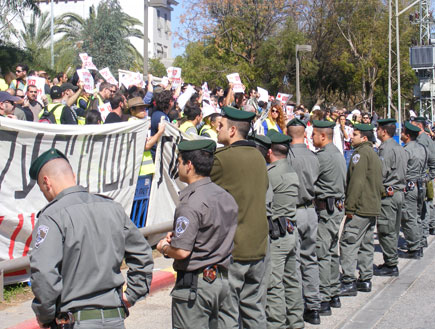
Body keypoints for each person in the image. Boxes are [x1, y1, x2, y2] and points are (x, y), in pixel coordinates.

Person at [28, 148, 153, 328]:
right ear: (74, 175)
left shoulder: (52, 216)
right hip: (115, 319)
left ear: (46, 182)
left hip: (75, 321)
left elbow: (44, 273)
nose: (45, 196)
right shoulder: (112, 208)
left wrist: (45, 315)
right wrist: (133, 293)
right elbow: (142, 252)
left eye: (42, 190)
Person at [156, 139, 238, 329]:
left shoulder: (190, 203)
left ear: (189, 165)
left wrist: (164, 247)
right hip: (223, 279)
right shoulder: (224, 195)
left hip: (197, 283)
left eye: (179, 162)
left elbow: (182, 252)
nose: (178, 166)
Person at [210, 106, 269, 329]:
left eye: (221, 125)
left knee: (227, 312)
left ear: (233, 130)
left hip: (234, 248)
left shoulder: (223, 159)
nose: (217, 126)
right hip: (258, 244)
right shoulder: (258, 156)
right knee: (254, 309)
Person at [264, 131, 304, 329]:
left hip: (277, 235)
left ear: (269, 152)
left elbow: (264, 205)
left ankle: (276, 323)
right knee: (291, 279)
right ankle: (296, 321)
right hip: (290, 229)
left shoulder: (271, 174)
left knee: (274, 283)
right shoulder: (291, 171)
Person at [339, 123, 383, 296]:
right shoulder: (373, 153)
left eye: (355, 134)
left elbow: (356, 182)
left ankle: (349, 280)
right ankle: (365, 279)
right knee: (366, 244)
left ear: (364, 138)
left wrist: (350, 207)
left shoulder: (360, 155)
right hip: (371, 206)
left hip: (360, 207)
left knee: (348, 242)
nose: (352, 137)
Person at [286, 117, 321, 325]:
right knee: (311, 258)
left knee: (295, 260)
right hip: (310, 210)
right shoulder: (313, 156)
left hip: (295, 210)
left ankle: (298, 306)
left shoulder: (288, 157)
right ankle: (314, 306)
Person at [312, 120, 347, 315]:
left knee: (322, 252)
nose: (312, 137)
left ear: (323, 136)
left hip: (326, 210)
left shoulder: (323, 157)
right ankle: (333, 292)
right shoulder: (337, 154)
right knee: (332, 251)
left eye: (314, 134)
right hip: (335, 209)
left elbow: (311, 182)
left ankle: (324, 297)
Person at [373, 119, 407, 276]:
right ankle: (390, 261)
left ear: (383, 131)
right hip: (399, 192)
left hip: (389, 194)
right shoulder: (399, 147)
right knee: (392, 229)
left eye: (378, 129)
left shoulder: (386, 149)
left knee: (386, 230)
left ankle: (391, 264)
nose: (377, 132)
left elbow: (381, 174)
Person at [400, 121, 427, 259]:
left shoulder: (406, 150)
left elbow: (402, 171)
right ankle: (420, 242)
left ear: (408, 135)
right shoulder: (422, 148)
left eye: (403, 132)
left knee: (408, 217)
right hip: (420, 185)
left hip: (409, 187)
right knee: (416, 216)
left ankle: (414, 247)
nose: (401, 134)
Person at [410, 117, 435, 241]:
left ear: (419, 126)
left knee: (424, 206)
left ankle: (424, 234)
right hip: (425, 176)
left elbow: (431, 159)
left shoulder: (422, 140)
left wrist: (428, 176)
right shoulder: (424, 138)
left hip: (423, 176)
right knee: (427, 204)